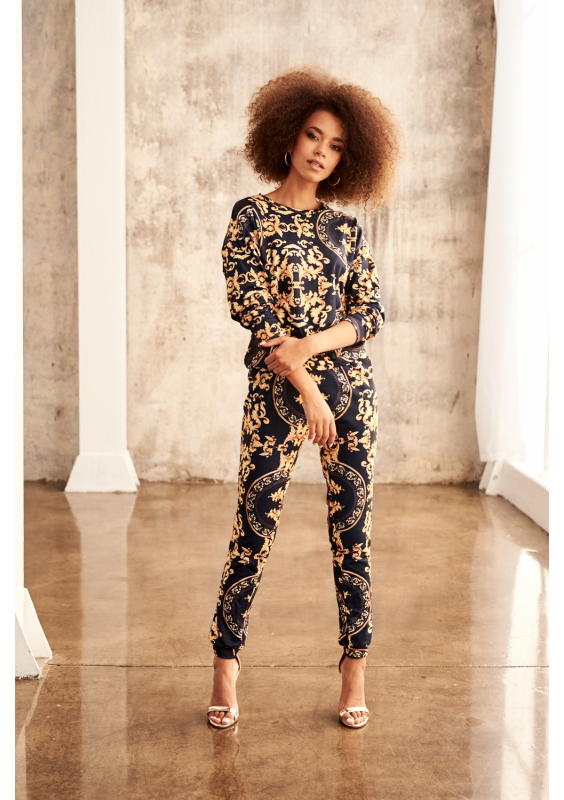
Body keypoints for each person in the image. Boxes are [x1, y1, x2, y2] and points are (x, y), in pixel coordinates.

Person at [207, 67, 400, 730]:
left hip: (353, 395)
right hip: (279, 395)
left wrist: (311, 347)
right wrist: (308, 389)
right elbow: (253, 309)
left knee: (353, 531)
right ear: (287, 137)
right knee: (253, 525)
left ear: (348, 158)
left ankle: (355, 667)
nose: (322, 151)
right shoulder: (251, 216)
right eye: (314, 136)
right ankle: (225, 663)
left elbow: (369, 313)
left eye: (337, 145)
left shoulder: (346, 230)